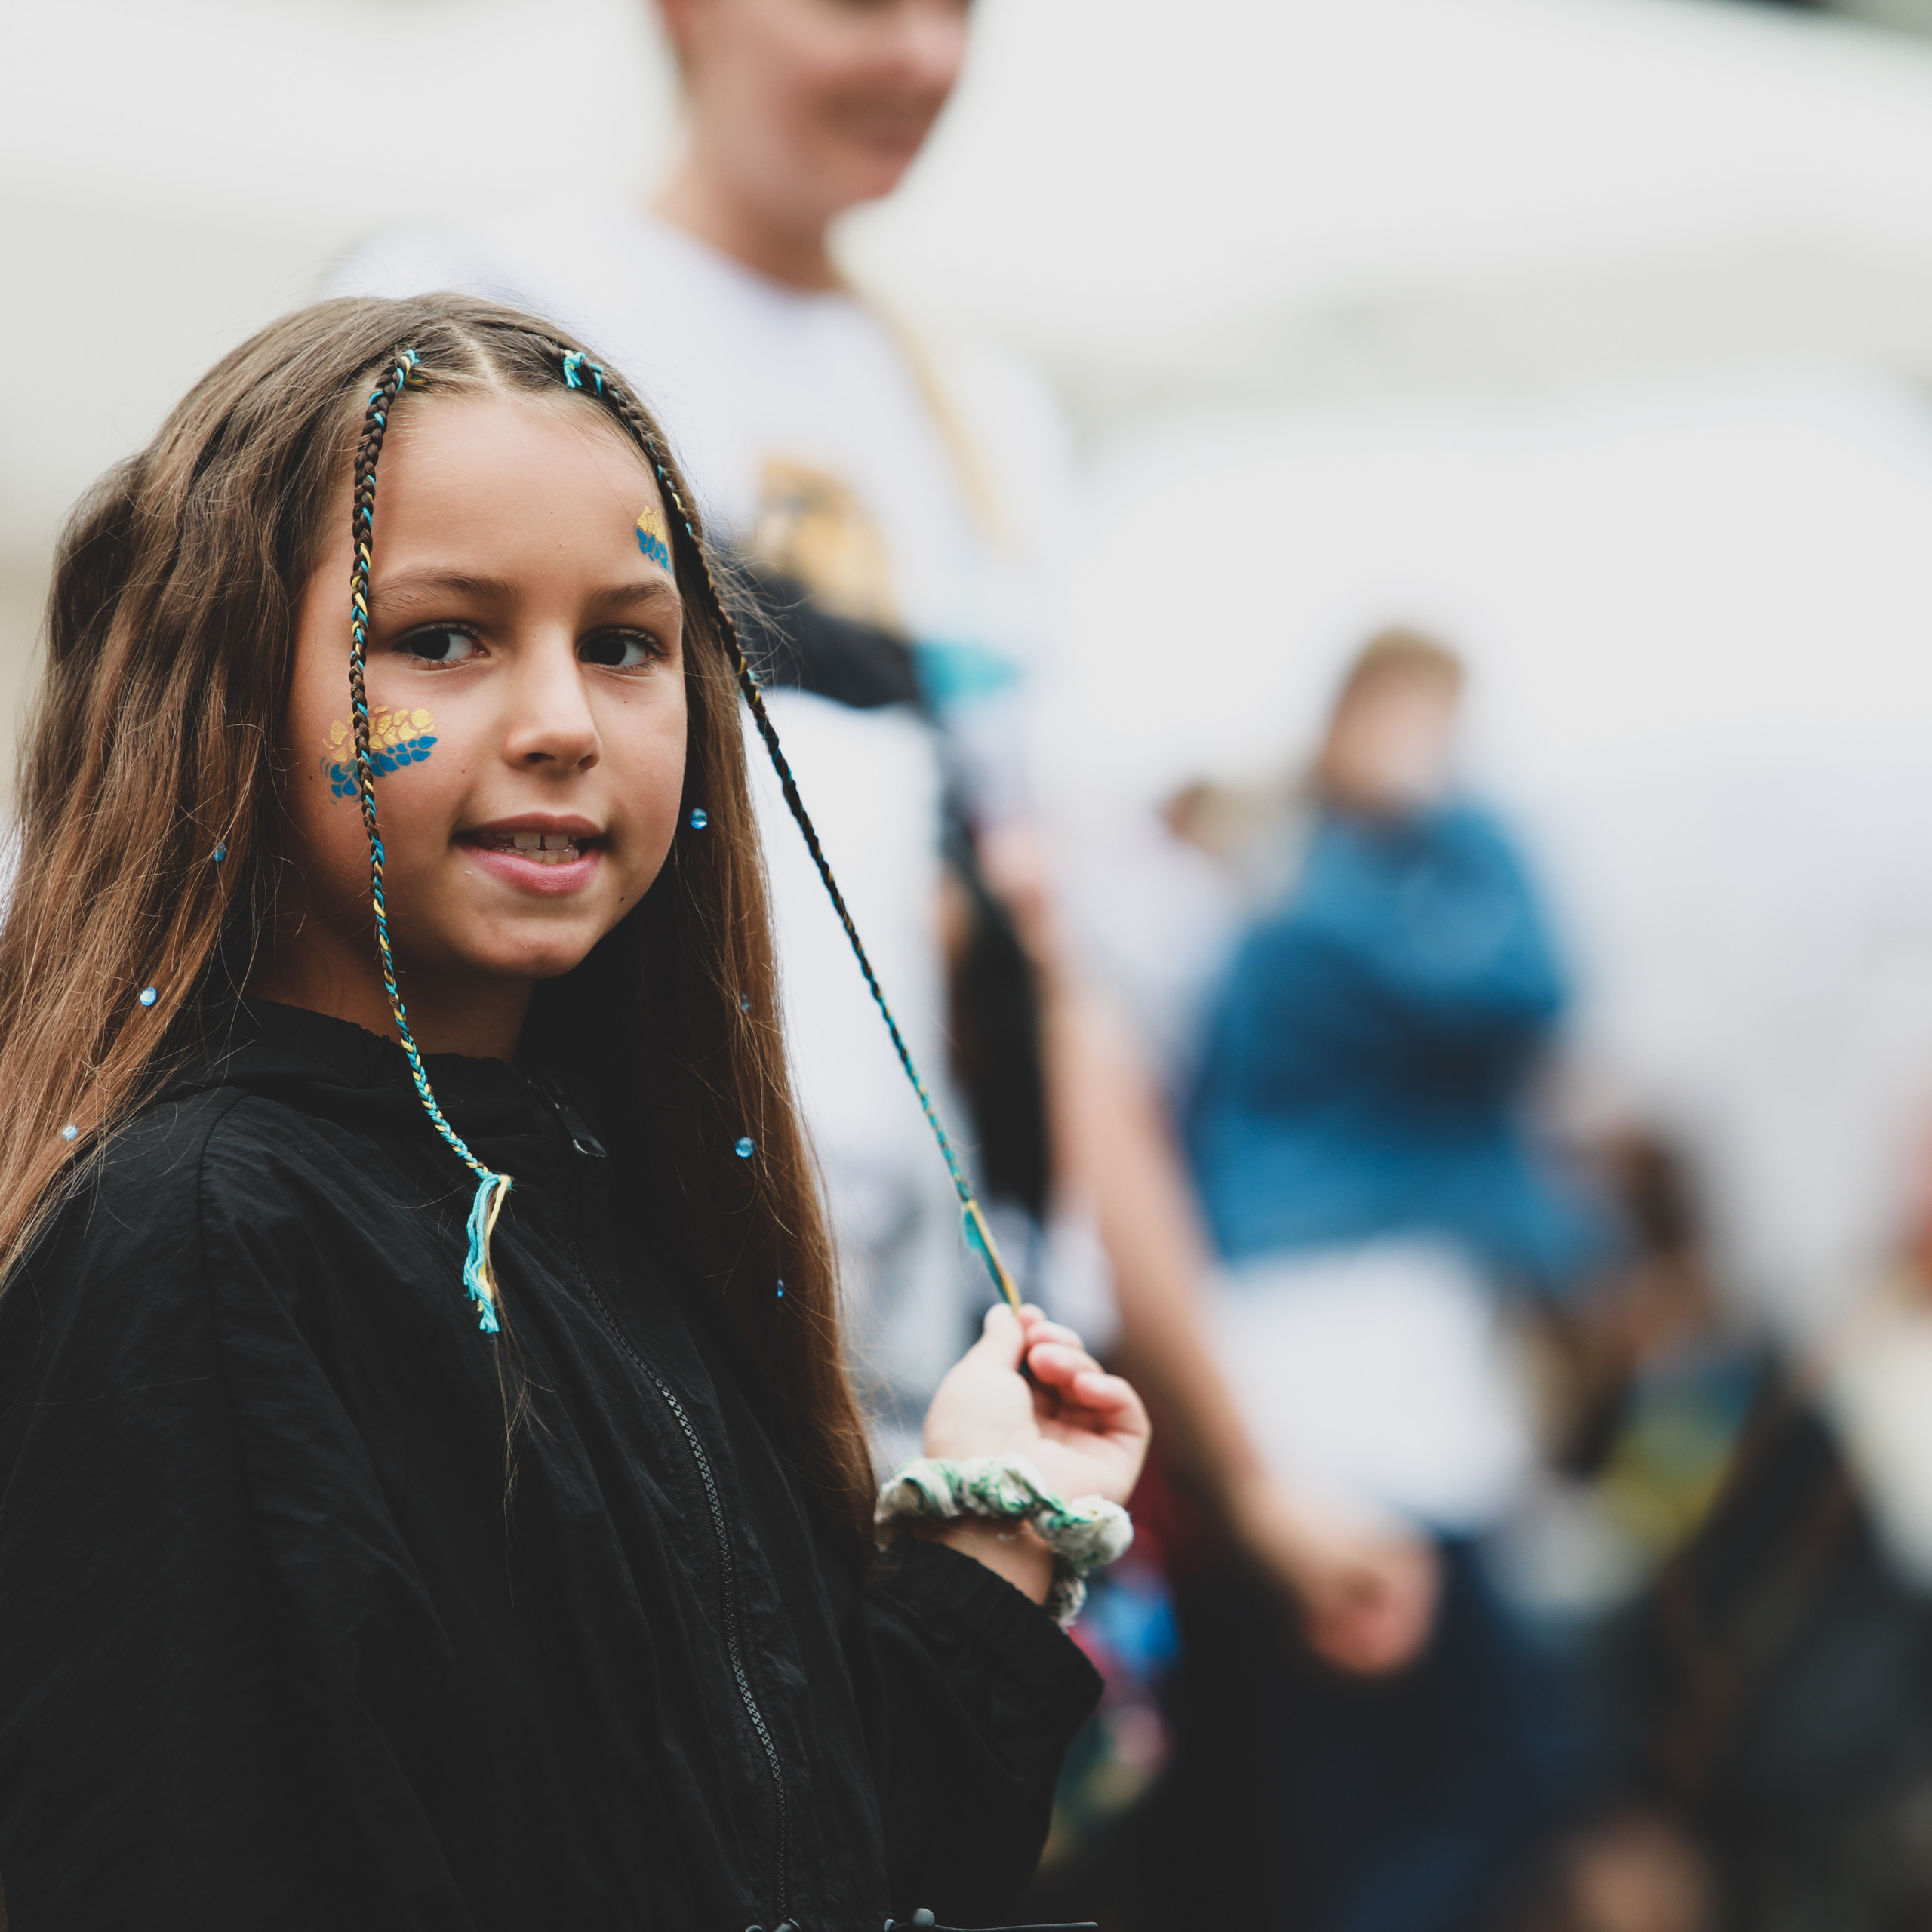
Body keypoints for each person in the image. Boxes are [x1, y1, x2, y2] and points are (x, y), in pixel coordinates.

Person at [0, 293, 1148, 1930]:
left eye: (623, 642)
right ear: (229, 688)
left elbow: (823, 1851)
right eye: (442, 636)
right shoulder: (196, 1238)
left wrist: (987, 1534)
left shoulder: (621, 1195)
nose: (557, 721)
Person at [326, 0, 1431, 1687]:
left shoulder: (974, 416)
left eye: (959, 6)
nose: (920, 55)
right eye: (857, 0)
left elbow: (1044, 981)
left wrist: (1246, 1468)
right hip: (585, 1382)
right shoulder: (480, 301)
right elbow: (318, 814)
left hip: (931, 1423)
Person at [1147, 630, 1599, 1932]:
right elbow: (1505, 993)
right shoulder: (1305, 897)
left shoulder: (1375, 875)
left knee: (1460, 1744)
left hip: (1408, 1341)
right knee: (1401, 1738)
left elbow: (1532, 992)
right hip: (1322, 1348)